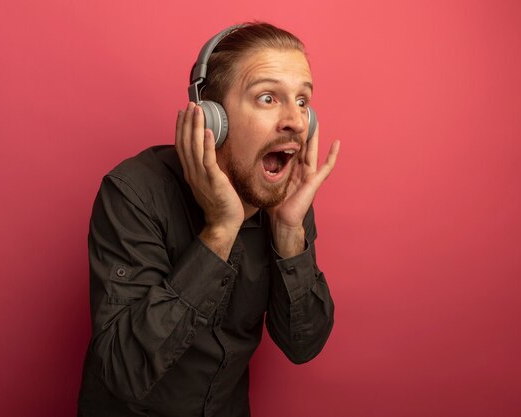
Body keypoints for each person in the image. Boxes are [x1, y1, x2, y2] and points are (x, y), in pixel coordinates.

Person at [77, 22, 340, 417]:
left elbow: (303, 345)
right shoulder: (133, 193)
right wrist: (219, 230)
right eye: (268, 98)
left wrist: (289, 233)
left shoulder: (283, 200)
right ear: (213, 119)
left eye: (302, 101)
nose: (297, 122)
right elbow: (122, 371)